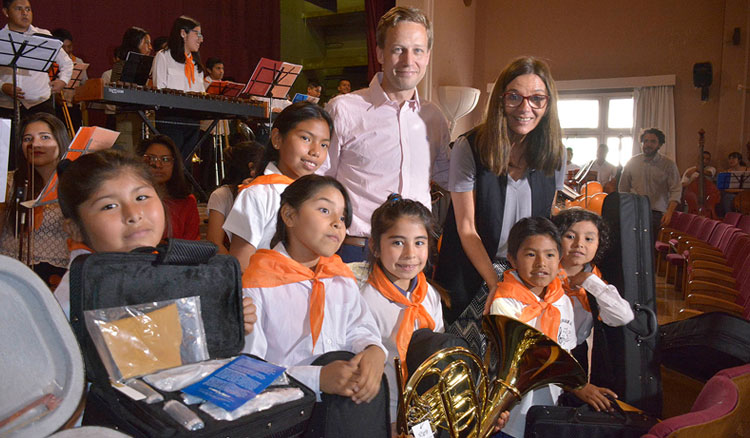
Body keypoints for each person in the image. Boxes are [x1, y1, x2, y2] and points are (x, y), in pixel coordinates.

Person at [243, 174, 388, 438]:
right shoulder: (257, 284)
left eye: (343, 218)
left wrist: (374, 349)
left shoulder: (339, 276)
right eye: (324, 210)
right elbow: (249, 373)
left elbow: (359, 327)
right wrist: (317, 379)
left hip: (343, 417)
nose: (337, 224)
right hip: (287, 420)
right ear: (289, 216)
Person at [435, 56, 565, 325]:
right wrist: (496, 282)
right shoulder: (468, 147)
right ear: (500, 101)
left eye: (537, 98)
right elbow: (467, 227)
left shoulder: (556, 154)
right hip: (469, 270)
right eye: (514, 97)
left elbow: (545, 223)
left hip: (525, 271)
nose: (525, 107)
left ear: (547, 104)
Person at [321, 6, 450, 263]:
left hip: (413, 258)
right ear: (380, 53)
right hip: (356, 252)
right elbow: (319, 183)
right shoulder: (344, 109)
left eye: (417, 50)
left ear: (427, 56)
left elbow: (450, 178)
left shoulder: (433, 118)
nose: (408, 60)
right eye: (398, 49)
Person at [488, 217, 580, 438]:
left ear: (560, 258)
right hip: (510, 415)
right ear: (512, 259)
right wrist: (579, 385)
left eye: (549, 255)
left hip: (548, 409)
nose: (541, 263)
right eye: (531, 255)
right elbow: (526, 360)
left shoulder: (562, 301)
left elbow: (566, 350)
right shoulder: (504, 303)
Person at [359, 194, 444, 424]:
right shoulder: (364, 301)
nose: (410, 254)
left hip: (424, 415)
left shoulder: (430, 296)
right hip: (382, 416)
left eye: (419, 242)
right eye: (398, 242)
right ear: (375, 247)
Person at [224, 102, 332, 271]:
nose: (315, 151)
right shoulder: (258, 194)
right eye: (306, 138)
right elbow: (240, 263)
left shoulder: (321, 197)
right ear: (277, 139)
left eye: (324, 144)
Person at [552, 208, 633, 376]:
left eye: (589, 239)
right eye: (570, 236)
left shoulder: (596, 280)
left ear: (599, 244)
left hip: (576, 353)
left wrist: (589, 281)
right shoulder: (543, 274)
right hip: (543, 352)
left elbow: (623, 316)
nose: (579, 244)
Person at [0, 113, 70, 287]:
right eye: (27, 139)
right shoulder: (9, 181)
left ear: (60, 141)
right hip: (13, 273)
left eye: (45, 137)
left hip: (60, 276)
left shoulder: (75, 183)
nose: (35, 144)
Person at [0, 0, 73, 121]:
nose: (25, 13)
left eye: (28, 9)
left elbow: (66, 62)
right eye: (19, 9)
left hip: (40, 106)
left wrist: (63, 81)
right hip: (6, 107)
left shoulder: (44, 35)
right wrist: (2, 86)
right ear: (6, 12)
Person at [152, 16, 205, 160]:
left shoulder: (196, 64)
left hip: (193, 120)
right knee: (173, 161)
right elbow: (158, 91)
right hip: (171, 119)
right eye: (197, 34)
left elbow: (201, 94)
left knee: (186, 164)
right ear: (183, 33)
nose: (201, 39)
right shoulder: (163, 57)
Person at [618, 128, 681, 235]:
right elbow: (623, 189)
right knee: (632, 245)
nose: (648, 144)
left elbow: (676, 190)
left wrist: (669, 213)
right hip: (635, 211)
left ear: (660, 145)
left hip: (656, 213)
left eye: (653, 141)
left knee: (650, 247)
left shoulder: (668, 164)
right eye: (645, 141)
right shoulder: (632, 162)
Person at [206, 141, 265, 254]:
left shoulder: (266, 192)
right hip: (233, 263)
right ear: (251, 168)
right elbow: (215, 243)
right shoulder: (222, 195)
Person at [137, 135, 200, 240]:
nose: (158, 165)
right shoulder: (131, 200)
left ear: (174, 164)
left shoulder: (187, 202)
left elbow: (191, 246)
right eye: (151, 158)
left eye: (165, 159)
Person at [51, 28, 86, 131]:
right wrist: (54, 96)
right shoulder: (49, 63)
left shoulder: (78, 61)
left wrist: (79, 96)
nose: (66, 50)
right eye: (63, 47)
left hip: (73, 106)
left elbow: (84, 84)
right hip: (55, 108)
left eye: (69, 46)